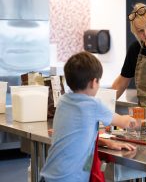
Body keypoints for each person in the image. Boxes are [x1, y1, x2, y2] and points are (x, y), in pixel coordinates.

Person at [40, 51, 136, 182]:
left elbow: (77, 136)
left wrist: (107, 143)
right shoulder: (93, 105)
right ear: (93, 82)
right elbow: (123, 122)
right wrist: (137, 121)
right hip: (71, 178)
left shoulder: (63, 101)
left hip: (49, 174)